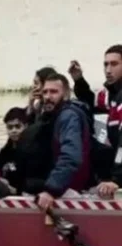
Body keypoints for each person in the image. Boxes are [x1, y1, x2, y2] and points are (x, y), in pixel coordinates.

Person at [35, 73, 93, 211]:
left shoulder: (68, 116)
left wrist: (51, 189)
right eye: (45, 92)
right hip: (66, 189)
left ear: (66, 94)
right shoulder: (55, 115)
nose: (48, 97)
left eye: (54, 92)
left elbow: (71, 156)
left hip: (70, 194)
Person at [0, 107, 28, 192]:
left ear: (25, 126)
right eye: (10, 127)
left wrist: (17, 189)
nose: (14, 131)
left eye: (17, 126)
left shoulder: (32, 150)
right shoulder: (6, 149)